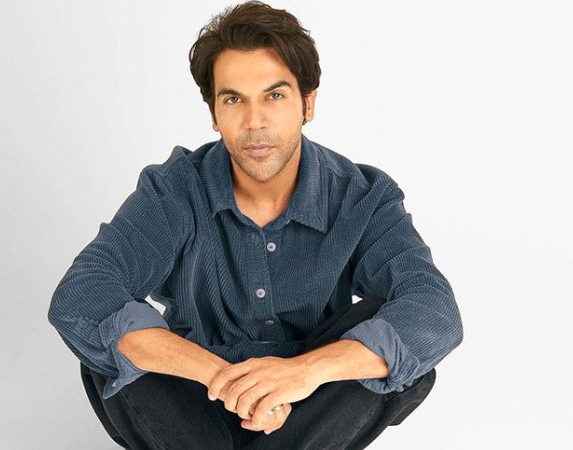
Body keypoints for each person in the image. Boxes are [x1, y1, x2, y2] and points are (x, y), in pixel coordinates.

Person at [47, 1, 464, 448]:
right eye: (233, 99)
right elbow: (82, 292)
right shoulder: (174, 191)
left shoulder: (362, 197)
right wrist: (226, 379)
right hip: (194, 399)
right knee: (112, 340)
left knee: (400, 346)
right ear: (214, 113)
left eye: (274, 96)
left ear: (307, 103)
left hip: (312, 405)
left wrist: (302, 373)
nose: (255, 122)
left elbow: (434, 309)